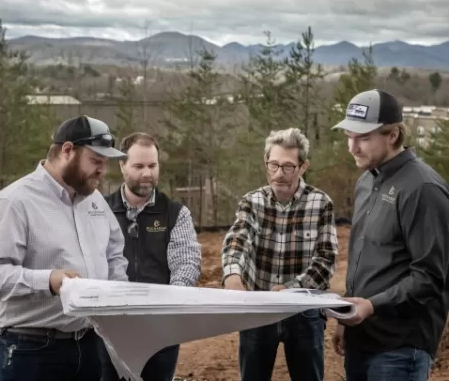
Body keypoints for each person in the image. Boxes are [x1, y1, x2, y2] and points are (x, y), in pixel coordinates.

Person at [0, 115, 130, 381]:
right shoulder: (15, 202)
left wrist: (118, 293)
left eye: (105, 163)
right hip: (31, 352)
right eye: (96, 161)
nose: (103, 170)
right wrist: (48, 280)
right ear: (67, 151)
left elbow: (114, 253)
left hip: (89, 346)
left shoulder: (95, 201)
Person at [331, 89, 449, 381]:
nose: (352, 147)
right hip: (363, 338)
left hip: (400, 348)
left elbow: (430, 277)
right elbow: (368, 263)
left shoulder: (422, 189)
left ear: (393, 135)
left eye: (363, 138)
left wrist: (372, 306)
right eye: (349, 136)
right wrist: (348, 315)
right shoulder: (365, 183)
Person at [222, 128, 339, 381]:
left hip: (304, 312)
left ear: (303, 166)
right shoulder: (252, 201)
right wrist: (232, 272)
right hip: (258, 309)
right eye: (273, 165)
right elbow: (238, 237)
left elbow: (326, 260)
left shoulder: (321, 203)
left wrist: (290, 289)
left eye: (287, 167)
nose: (278, 174)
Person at [98, 132, 202, 381]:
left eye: (152, 166)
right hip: (110, 328)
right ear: (122, 166)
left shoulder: (175, 213)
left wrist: (171, 302)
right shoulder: (100, 210)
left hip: (160, 330)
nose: (147, 173)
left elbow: (186, 261)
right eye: (139, 166)